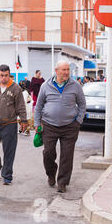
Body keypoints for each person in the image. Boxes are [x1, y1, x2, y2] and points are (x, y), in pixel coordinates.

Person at [34, 60, 86, 193]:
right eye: (64, 70)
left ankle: (62, 182)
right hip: (49, 125)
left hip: (70, 126)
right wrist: (37, 123)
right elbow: (39, 106)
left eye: (68, 70)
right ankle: (51, 173)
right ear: (56, 71)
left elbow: (82, 104)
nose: (67, 72)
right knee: (48, 153)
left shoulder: (76, 85)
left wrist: (78, 121)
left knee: (67, 155)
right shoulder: (46, 85)